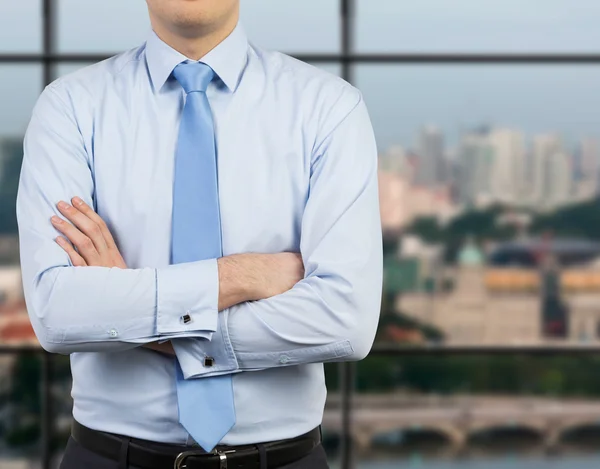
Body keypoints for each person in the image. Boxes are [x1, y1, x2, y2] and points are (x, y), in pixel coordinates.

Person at [16, 0, 382, 468]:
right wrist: (239, 277)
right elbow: (57, 312)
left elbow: (345, 322)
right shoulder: (70, 107)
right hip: (107, 456)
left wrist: (130, 307)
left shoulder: (329, 107)